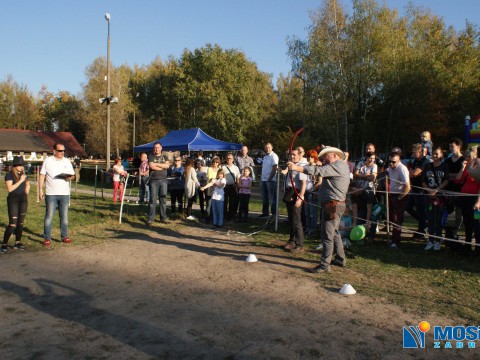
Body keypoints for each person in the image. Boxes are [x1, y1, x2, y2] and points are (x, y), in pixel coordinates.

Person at [289, 146, 350, 272]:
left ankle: (324, 265)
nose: (323, 158)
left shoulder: (336, 166)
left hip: (332, 205)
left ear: (334, 155)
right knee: (334, 233)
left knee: (327, 235)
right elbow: (320, 169)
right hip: (334, 204)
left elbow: (318, 171)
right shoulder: (340, 165)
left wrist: (297, 168)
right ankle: (340, 259)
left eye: (326, 156)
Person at [38, 143, 75, 246]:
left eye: (63, 151)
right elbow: (42, 175)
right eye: (60, 151)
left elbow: (72, 175)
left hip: (64, 193)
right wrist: (40, 190)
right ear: (54, 150)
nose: (62, 153)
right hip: (51, 194)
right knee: (49, 216)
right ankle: (47, 238)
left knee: (64, 217)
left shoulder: (67, 161)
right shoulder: (48, 161)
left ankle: (64, 236)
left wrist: (69, 177)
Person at [422, 147, 449, 251]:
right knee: (429, 219)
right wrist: (429, 191)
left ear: (441, 155)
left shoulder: (444, 166)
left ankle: (437, 241)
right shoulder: (427, 166)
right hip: (428, 196)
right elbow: (423, 181)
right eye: (433, 154)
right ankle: (430, 240)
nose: (435, 156)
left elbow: (446, 180)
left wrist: (437, 190)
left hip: (440, 197)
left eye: (437, 154)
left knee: (438, 219)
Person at [455, 146, 480, 256]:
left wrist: (478, 201)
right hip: (465, 198)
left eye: (469, 156)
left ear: (475, 156)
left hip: (475, 199)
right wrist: (462, 167)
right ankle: (468, 244)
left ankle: (478, 247)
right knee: (467, 222)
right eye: (466, 156)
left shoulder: (478, 168)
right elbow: (457, 180)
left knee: (476, 224)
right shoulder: (466, 167)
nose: (467, 158)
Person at [2, 156, 30, 253]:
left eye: (22, 165)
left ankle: (17, 242)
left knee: (20, 223)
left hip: (23, 200)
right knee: (13, 223)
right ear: (15, 165)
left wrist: (26, 190)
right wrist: (21, 181)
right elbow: (10, 189)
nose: (21, 167)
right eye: (19, 165)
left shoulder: (23, 175)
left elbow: (28, 184)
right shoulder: (9, 175)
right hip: (13, 200)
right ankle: (4, 244)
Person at [282, 149, 307, 253]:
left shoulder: (301, 167)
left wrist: (300, 198)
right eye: (291, 155)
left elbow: (303, 184)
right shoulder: (292, 166)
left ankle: (299, 244)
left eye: (294, 155)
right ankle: (292, 241)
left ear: (299, 155)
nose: (292, 156)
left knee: (297, 220)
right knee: (291, 219)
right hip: (289, 192)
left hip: (296, 193)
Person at [386, 151, 411, 249]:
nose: (391, 164)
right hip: (391, 194)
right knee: (391, 218)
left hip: (400, 196)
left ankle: (395, 241)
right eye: (390, 162)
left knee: (397, 219)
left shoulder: (402, 169)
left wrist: (400, 197)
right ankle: (393, 238)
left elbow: (407, 187)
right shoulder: (390, 168)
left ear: (399, 160)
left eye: (394, 162)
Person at [406, 143, 429, 238]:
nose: (413, 154)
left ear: (420, 152)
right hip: (414, 188)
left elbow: (414, 173)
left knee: (421, 210)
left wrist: (412, 172)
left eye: (414, 152)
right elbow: (409, 173)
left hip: (421, 190)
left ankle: (422, 229)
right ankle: (424, 223)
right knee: (408, 207)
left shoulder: (425, 162)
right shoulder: (414, 161)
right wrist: (411, 172)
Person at [352, 152, 378, 229]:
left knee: (369, 206)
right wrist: (365, 176)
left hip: (369, 189)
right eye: (370, 158)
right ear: (366, 157)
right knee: (359, 206)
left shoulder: (374, 165)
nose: (372, 160)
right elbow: (355, 175)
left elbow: (372, 178)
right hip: (359, 188)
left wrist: (360, 176)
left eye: (373, 158)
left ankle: (367, 222)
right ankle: (356, 222)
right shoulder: (360, 163)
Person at [444, 137, 464, 238]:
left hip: (460, 190)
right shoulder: (447, 160)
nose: (450, 148)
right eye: (449, 146)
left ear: (458, 147)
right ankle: (449, 234)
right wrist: (454, 175)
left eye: (452, 146)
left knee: (459, 214)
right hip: (448, 189)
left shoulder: (463, 160)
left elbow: (460, 176)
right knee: (448, 213)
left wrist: (454, 176)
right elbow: (446, 174)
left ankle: (455, 232)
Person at [147, 142, 170, 225]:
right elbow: (151, 166)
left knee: (163, 200)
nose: (156, 149)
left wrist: (156, 164)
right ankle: (150, 218)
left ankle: (163, 217)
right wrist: (162, 167)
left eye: (158, 147)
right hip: (154, 180)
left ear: (161, 148)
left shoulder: (165, 156)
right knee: (152, 200)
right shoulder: (150, 156)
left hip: (163, 180)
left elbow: (167, 166)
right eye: (155, 147)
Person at [260, 143, 279, 217]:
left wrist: (270, 179)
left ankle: (274, 215)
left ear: (272, 147)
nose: (267, 149)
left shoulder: (274, 156)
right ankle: (265, 213)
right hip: (263, 179)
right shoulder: (265, 157)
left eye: (269, 147)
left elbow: (274, 168)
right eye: (266, 147)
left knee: (272, 198)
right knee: (264, 197)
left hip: (270, 180)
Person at [222, 153, 241, 221]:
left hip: (232, 187)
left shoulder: (236, 168)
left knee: (232, 203)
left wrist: (236, 184)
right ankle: (224, 216)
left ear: (233, 159)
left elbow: (238, 177)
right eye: (227, 158)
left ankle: (230, 216)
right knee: (224, 202)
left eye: (230, 158)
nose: (228, 160)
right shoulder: (223, 167)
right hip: (225, 187)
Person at [204, 156, 221, 224]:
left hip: (218, 189)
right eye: (214, 162)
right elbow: (211, 179)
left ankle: (214, 219)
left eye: (217, 162)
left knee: (216, 205)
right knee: (209, 205)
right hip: (210, 188)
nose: (215, 163)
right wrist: (217, 180)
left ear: (218, 163)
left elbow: (221, 178)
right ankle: (207, 219)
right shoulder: (209, 169)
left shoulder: (220, 169)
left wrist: (217, 180)